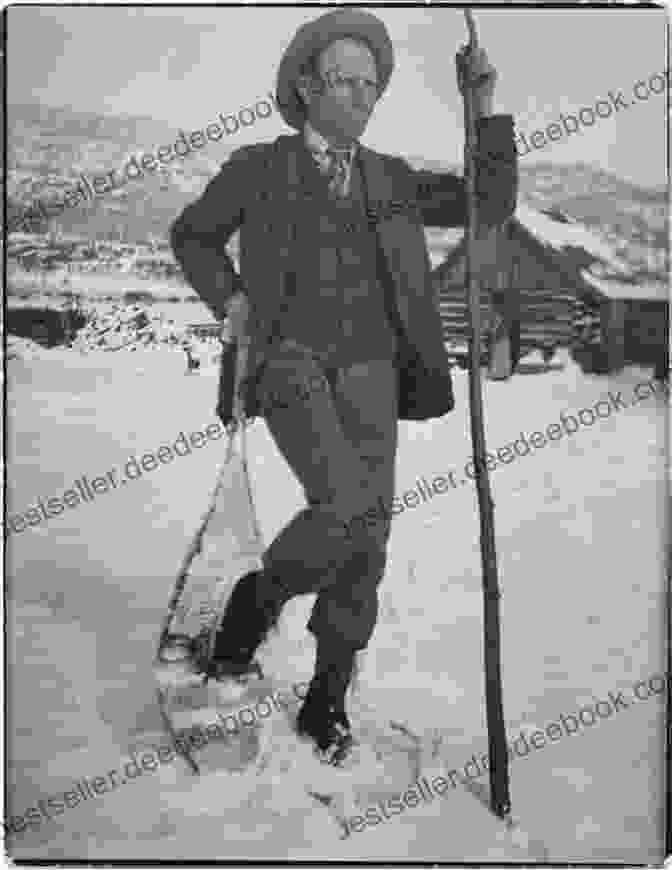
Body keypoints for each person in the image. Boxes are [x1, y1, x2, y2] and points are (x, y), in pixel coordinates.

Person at [170, 9, 518, 766]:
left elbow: (487, 203)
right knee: (346, 507)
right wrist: (228, 295)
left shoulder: (391, 178)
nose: (362, 96)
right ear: (304, 86)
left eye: (373, 83)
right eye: (345, 81)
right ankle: (256, 602)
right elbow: (190, 235)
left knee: (371, 533)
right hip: (288, 360)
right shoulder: (257, 168)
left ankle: (327, 692)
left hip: (374, 369)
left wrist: (482, 109)